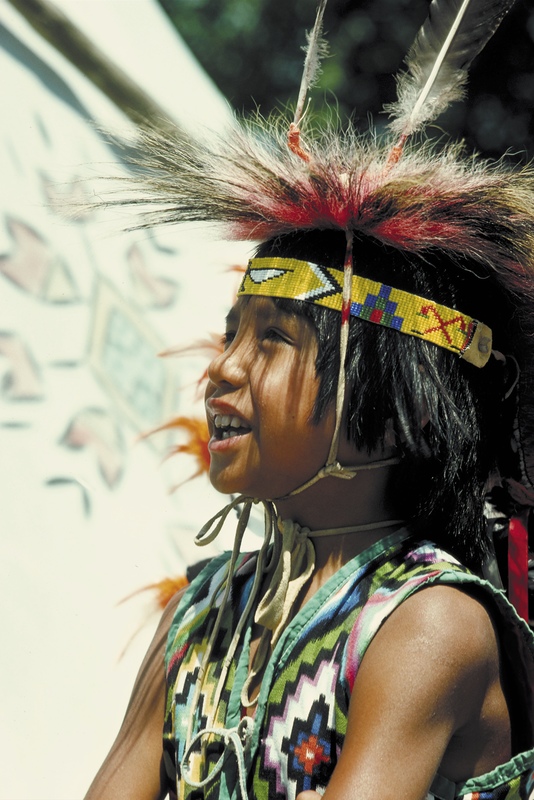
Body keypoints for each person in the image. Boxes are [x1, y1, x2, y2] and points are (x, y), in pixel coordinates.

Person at [85, 2, 534, 799]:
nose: (220, 373)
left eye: (274, 341)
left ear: (409, 408)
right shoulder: (203, 610)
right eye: (231, 336)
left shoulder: (428, 623)